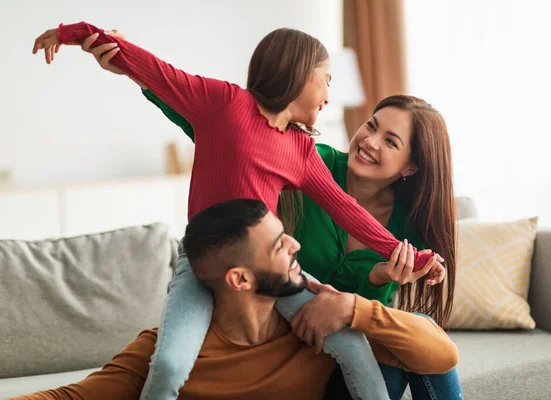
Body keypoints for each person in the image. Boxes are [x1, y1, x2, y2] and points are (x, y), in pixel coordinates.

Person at [31, 23, 445, 400]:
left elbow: (346, 210)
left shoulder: (301, 150)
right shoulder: (225, 104)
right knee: (172, 363)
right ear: (301, 75)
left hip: (274, 269)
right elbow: (158, 72)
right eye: (326, 81)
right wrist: (73, 33)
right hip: (201, 263)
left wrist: (416, 256)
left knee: (353, 348)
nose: (329, 95)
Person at [138, 89, 464, 399]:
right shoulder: (306, 159)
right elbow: (230, 134)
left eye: (390, 141)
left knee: (419, 341)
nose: (369, 141)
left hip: (347, 351)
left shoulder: (408, 226)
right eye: (371, 126)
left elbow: (359, 316)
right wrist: (143, 78)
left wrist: (379, 277)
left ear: (410, 166)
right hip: (289, 347)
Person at [11, 199, 459, 400]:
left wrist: (353, 307)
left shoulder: (316, 324)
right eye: (280, 245)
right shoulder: (166, 349)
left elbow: (441, 356)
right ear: (240, 278)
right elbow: (70, 396)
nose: (297, 248)